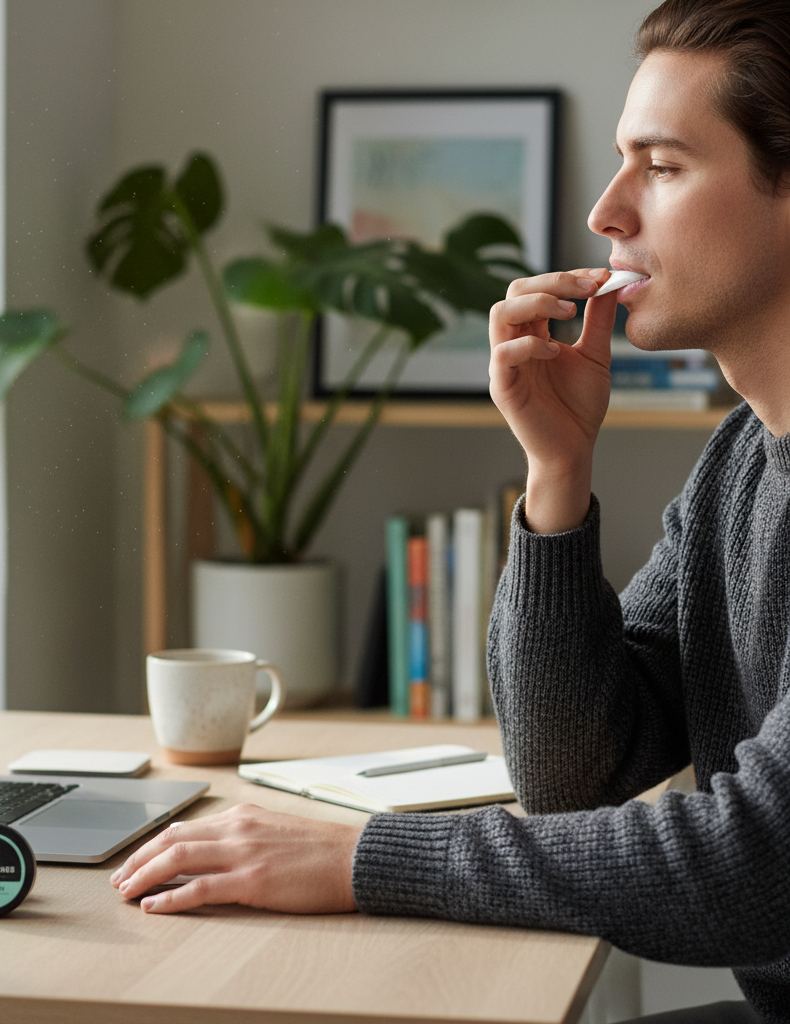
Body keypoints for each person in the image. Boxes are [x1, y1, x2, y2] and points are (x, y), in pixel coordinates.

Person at [111, 2, 790, 1019]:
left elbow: (755, 865)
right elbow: (572, 771)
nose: (607, 211)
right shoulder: (739, 460)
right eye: (620, 160)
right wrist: (556, 471)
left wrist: (362, 859)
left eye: (661, 166)